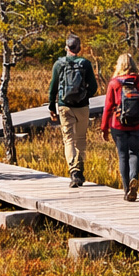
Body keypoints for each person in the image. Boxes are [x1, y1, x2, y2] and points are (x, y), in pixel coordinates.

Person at [100, 52, 139, 202]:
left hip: (118, 125)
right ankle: (134, 179)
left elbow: (108, 107)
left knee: (123, 155)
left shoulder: (114, 83)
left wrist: (104, 128)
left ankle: (126, 190)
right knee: (134, 153)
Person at [48, 34, 98, 188]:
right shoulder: (85, 64)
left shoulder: (59, 64)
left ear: (66, 47)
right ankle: (80, 168)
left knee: (68, 139)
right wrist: (85, 96)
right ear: (79, 47)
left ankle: (73, 171)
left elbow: (53, 87)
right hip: (82, 107)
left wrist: (52, 106)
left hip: (64, 106)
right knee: (81, 138)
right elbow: (94, 87)